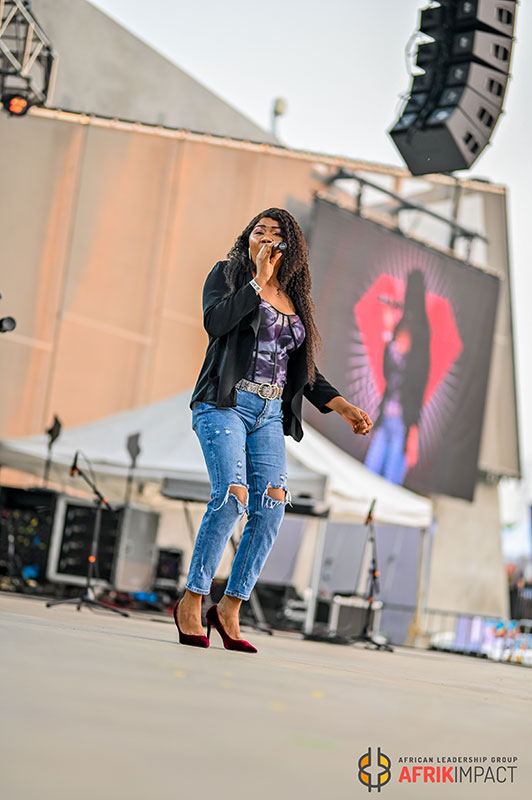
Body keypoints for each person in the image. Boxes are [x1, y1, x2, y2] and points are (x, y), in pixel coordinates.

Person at [174, 208, 373, 652]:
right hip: (225, 404)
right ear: (248, 238)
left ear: (290, 246)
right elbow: (216, 323)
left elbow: (302, 371)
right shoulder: (228, 275)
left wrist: (342, 406)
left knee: (272, 506)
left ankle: (230, 607)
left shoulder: (293, 297)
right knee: (232, 496)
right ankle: (193, 599)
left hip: (269, 412)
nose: (265, 236)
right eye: (258, 230)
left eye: (275, 233)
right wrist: (257, 282)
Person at [364, 269, 430, 484]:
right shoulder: (400, 328)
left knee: (390, 480)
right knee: (370, 472)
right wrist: (389, 331)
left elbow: (417, 382)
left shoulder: (420, 334)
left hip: (402, 422)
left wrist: (413, 428)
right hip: (388, 417)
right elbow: (388, 371)